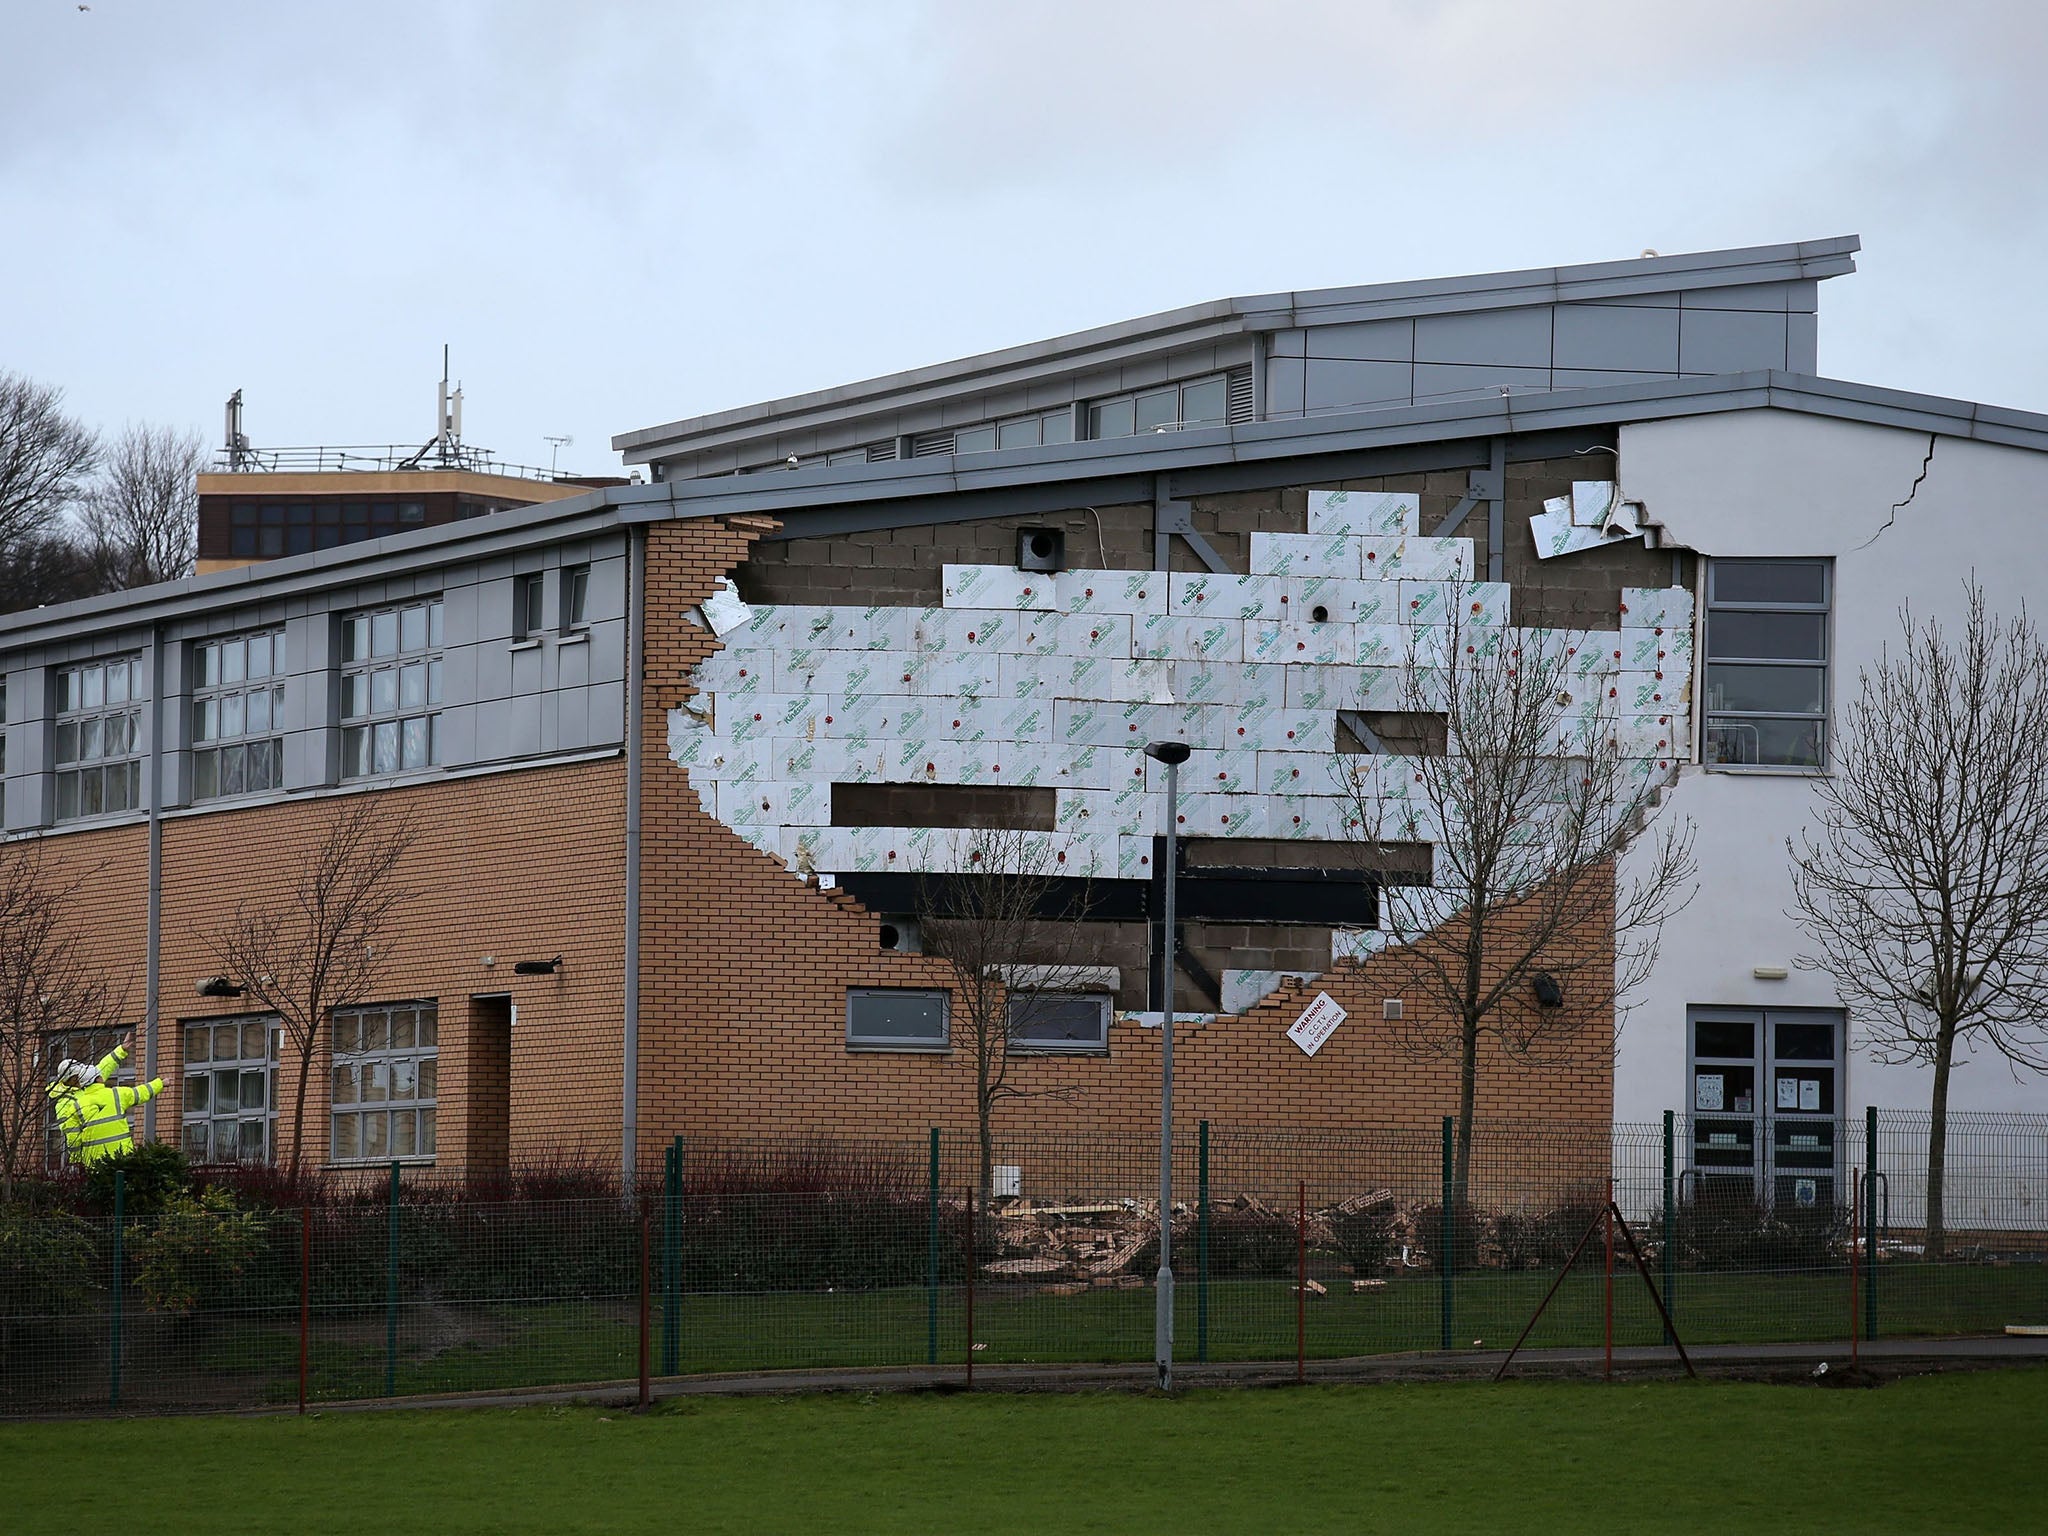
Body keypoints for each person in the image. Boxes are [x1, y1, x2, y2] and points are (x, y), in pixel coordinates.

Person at [47, 1036, 164, 1166]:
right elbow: (71, 1134)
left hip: (94, 1158)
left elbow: (103, 1068)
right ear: (73, 1079)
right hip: (113, 1155)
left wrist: (120, 1050)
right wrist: (78, 1159)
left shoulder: (84, 1087)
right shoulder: (65, 1104)